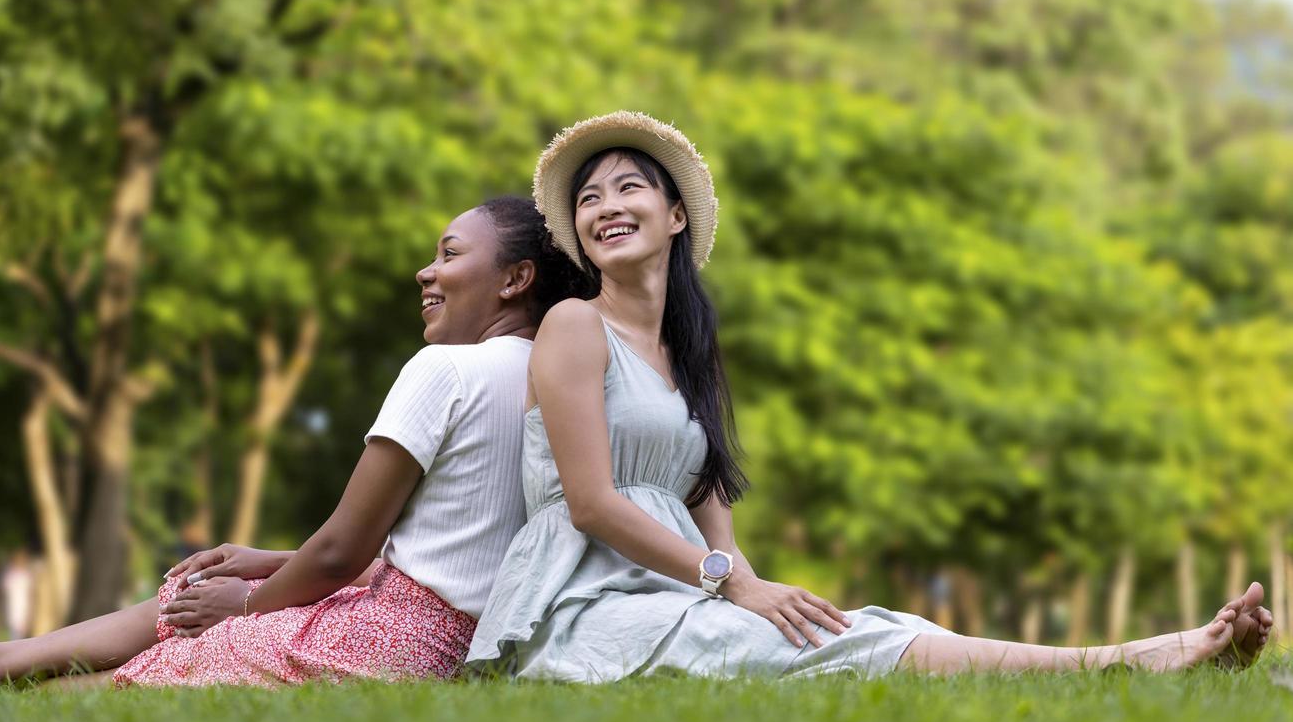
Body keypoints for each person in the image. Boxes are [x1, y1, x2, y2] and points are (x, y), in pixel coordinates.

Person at [467, 111, 1274, 681]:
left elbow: (718, 529)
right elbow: (594, 506)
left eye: (627, 188)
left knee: (864, 628)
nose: (606, 207)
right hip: (582, 606)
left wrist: (759, 594)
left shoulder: (694, 354)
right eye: (589, 198)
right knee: (834, 650)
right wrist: (736, 587)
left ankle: (1154, 653)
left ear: (675, 215)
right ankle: (1136, 661)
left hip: (687, 588)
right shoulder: (574, 325)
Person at [0, 196, 588, 687]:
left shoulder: (447, 368)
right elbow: (457, 549)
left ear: (515, 279)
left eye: (449, 254)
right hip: (461, 642)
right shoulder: (559, 379)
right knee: (196, 596)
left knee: (148, 669)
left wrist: (252, 603)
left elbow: (344, 550)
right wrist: (266, 562)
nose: (424, 271)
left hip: (392, 639)